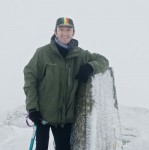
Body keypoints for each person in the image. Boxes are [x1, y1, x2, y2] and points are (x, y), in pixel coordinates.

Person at [23, 17, 109, 150]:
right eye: (61, 29)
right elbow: (30, 78)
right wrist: (32, 108)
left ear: (73, 32)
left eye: (68, 30)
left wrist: (90, 67)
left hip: (65, 119)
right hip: (43, 116)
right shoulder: (43, 53)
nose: (65, 33)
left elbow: (103, 60)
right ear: (55, 32)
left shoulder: (80, 54)